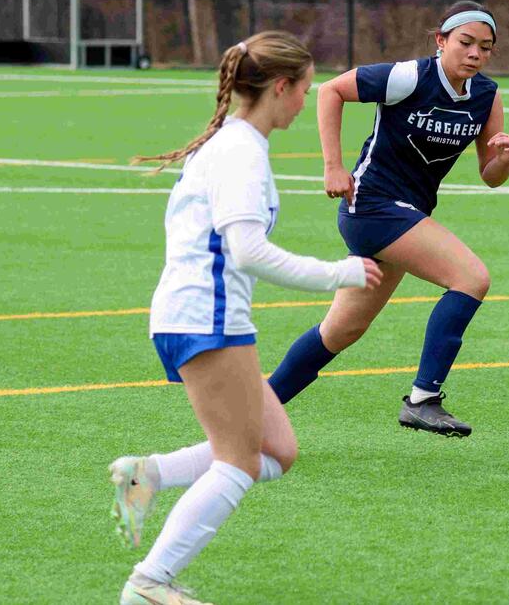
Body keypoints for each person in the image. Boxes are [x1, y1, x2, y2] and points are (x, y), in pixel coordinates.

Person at [110, 31, 382, 605]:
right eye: (304, 89)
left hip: (204, 314)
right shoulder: (240, 152)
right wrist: (340, 272)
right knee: (237, 462)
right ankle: (150, 582)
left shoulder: (234, 143)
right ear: (280, 87)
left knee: (276, 450)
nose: (307, 102)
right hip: (205, 318)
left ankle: (147, 474)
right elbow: (247, 250)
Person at [266, 0, 509, 437]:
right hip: (372, 206)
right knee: (471, 277)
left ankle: (253, 414)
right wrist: (333, 166)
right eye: (465, 42)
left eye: (485, 46)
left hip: (404, 216)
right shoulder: (410, 77)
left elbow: (490, 176)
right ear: (440, 41)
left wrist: (504, 160)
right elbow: (331, 91)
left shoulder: (486, 96)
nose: (475, 53)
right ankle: (423, 399)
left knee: (341, 331)